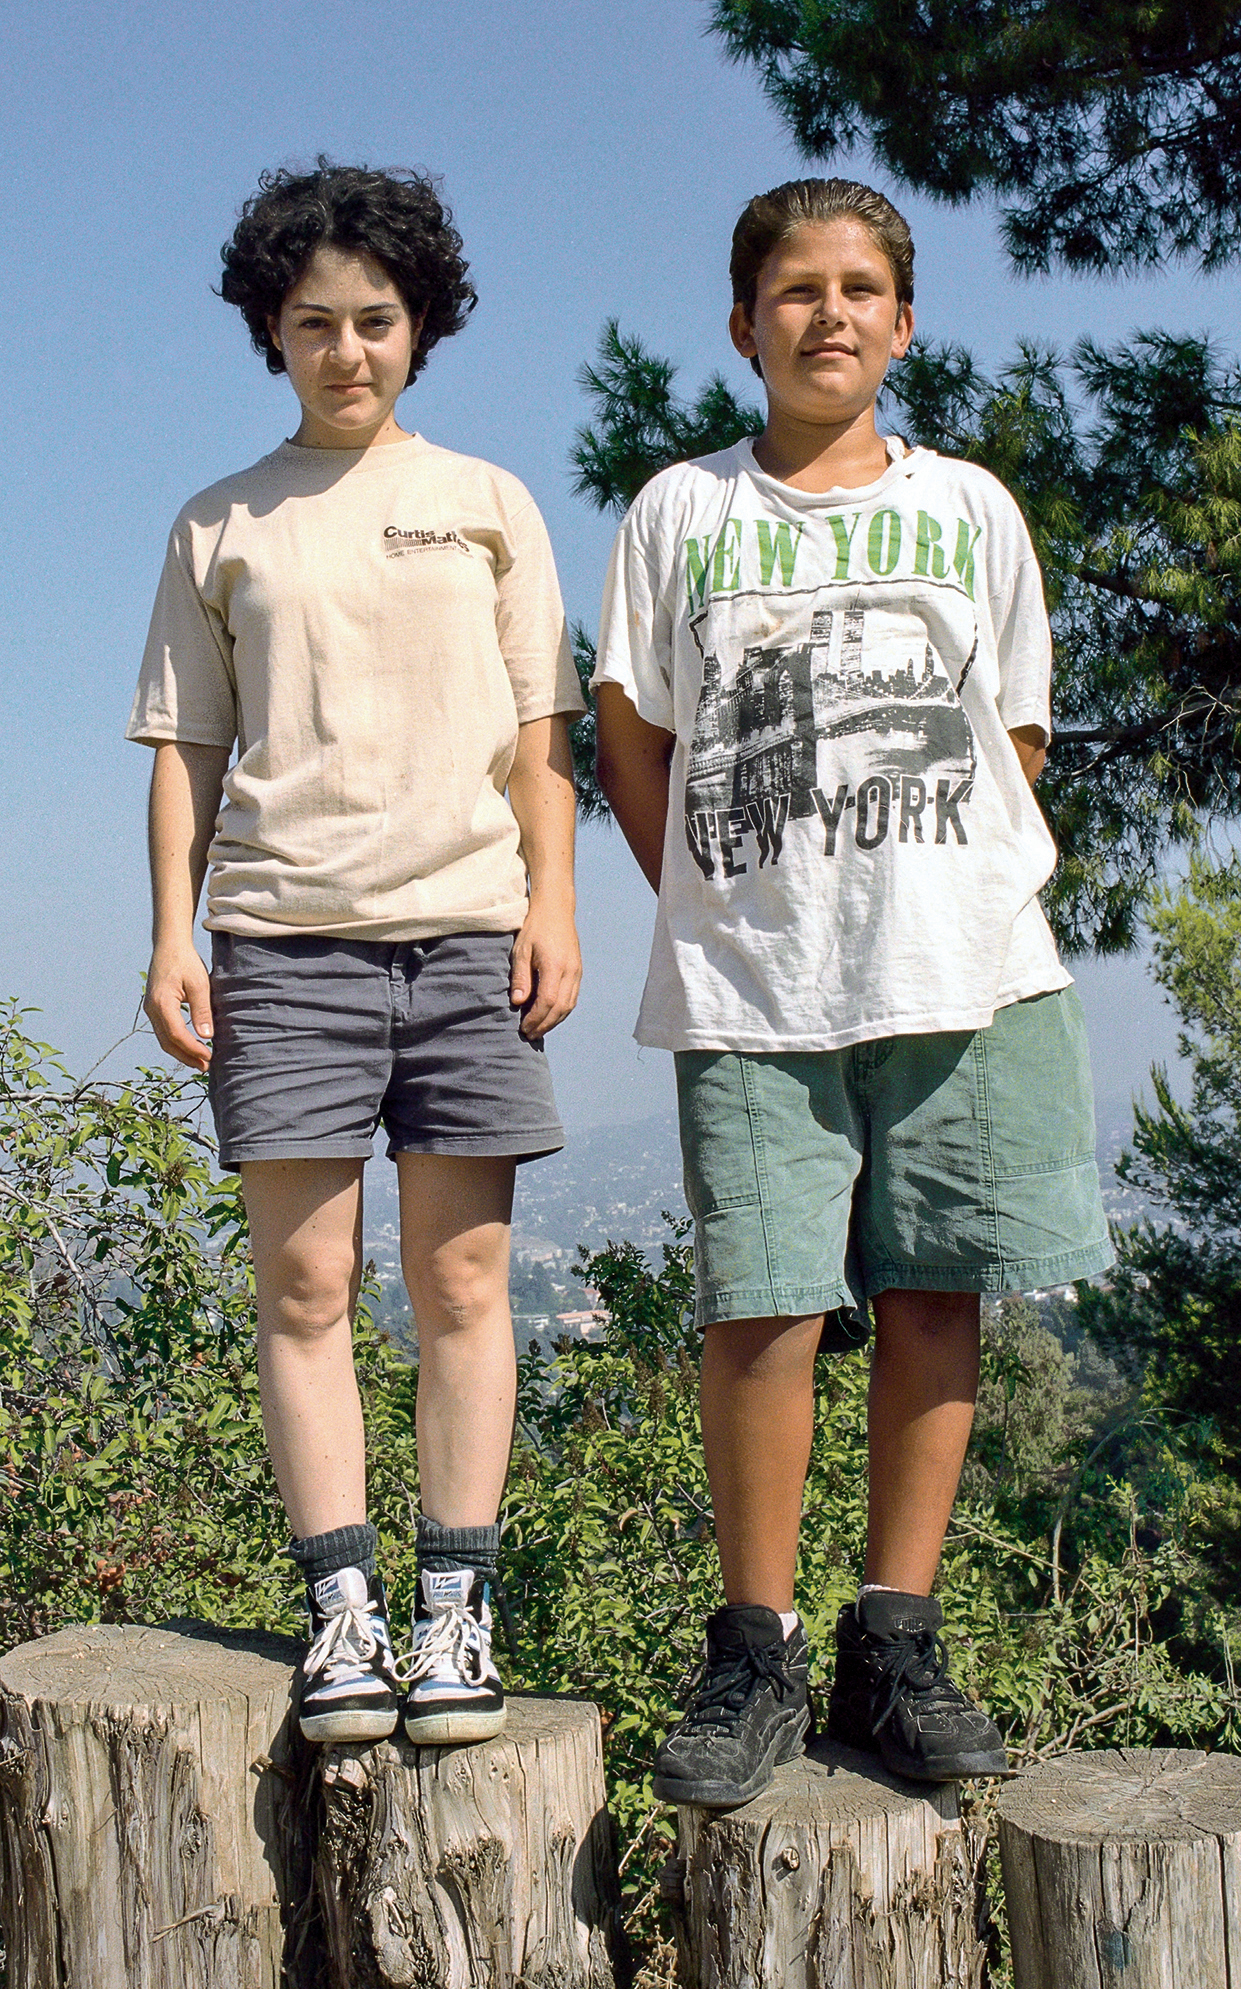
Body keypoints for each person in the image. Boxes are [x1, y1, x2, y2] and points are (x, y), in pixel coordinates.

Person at [593, 178, 1111, 1807]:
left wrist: (925, 877)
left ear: (903, 318)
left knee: (934, 1291)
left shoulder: (969, 509)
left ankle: (895, 1633)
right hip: (754, 975)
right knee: (758, 1306)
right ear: (743, 324)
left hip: (962, 968)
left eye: (860, 286)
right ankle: (751, 1644)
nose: (827, 312)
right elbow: (633, 737)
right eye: (794, 289)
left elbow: (1010, 736)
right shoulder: (680, 511)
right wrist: (732, 888)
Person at [129, 160, 583, 1747]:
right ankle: (344, 1610)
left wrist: (553, 904)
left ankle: (458, 1606)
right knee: (306, 1284)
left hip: (464, 932)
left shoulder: (489, 501)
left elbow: (543, 743)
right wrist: (170, 935)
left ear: (422, 325)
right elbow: (185, 746)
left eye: (376, 320)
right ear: (270, 328)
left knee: (465, 1280)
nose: (347, 350)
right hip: (282, 940)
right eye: (313, 322)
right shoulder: (221, 521)